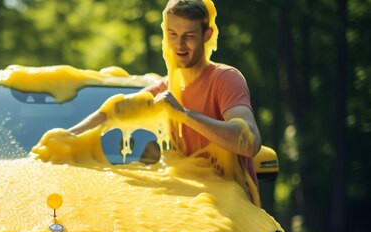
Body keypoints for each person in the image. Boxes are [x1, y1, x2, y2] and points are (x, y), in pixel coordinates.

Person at [69, 0, 262, 186]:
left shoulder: (226, 78)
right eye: (172, 34)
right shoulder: (166, 87)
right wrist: (65, 137)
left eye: (189, 36)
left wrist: (184, 115)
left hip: (232, 211)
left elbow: (250, 142)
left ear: (207, 35)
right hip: (188, 204)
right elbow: (114, 111)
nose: (179, 44)